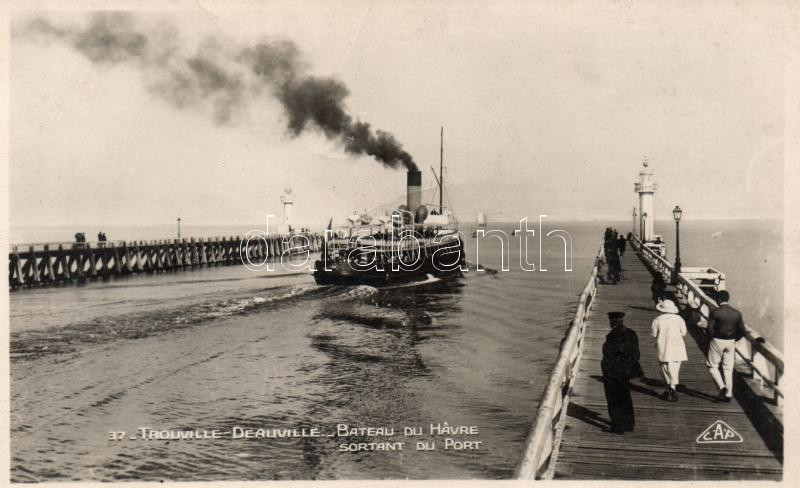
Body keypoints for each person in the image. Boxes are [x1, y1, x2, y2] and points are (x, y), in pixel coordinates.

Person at [601, 311, 642, 434]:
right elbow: (637, 354)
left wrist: (608, 368)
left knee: (614, 399)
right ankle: (629, 424)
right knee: (625, 396)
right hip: (626, 371)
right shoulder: (631, 333)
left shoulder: (612, 336)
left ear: (612, 322)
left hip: (613, 372)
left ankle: (617, 426)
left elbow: (608, 354)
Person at [706, 290, 746, 402]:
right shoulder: (737, 313)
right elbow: (743, 331)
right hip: (731, 342)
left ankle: (722, 387)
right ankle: (728, 394)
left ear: (718, 299)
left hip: (717, 340)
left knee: (712, 366)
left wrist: (712, 338)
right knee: (728, 368)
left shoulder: (715, 312)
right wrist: (734, 339)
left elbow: (709, 329)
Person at [651, 299, 687, 402]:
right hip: (677, 346)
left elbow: (654, 334)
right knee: (674, 368)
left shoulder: (657, 320)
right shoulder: (679, 319)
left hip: (664, 346)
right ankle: (672, 388)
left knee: (665, 368)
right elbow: (683, 332)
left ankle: (670, 389)